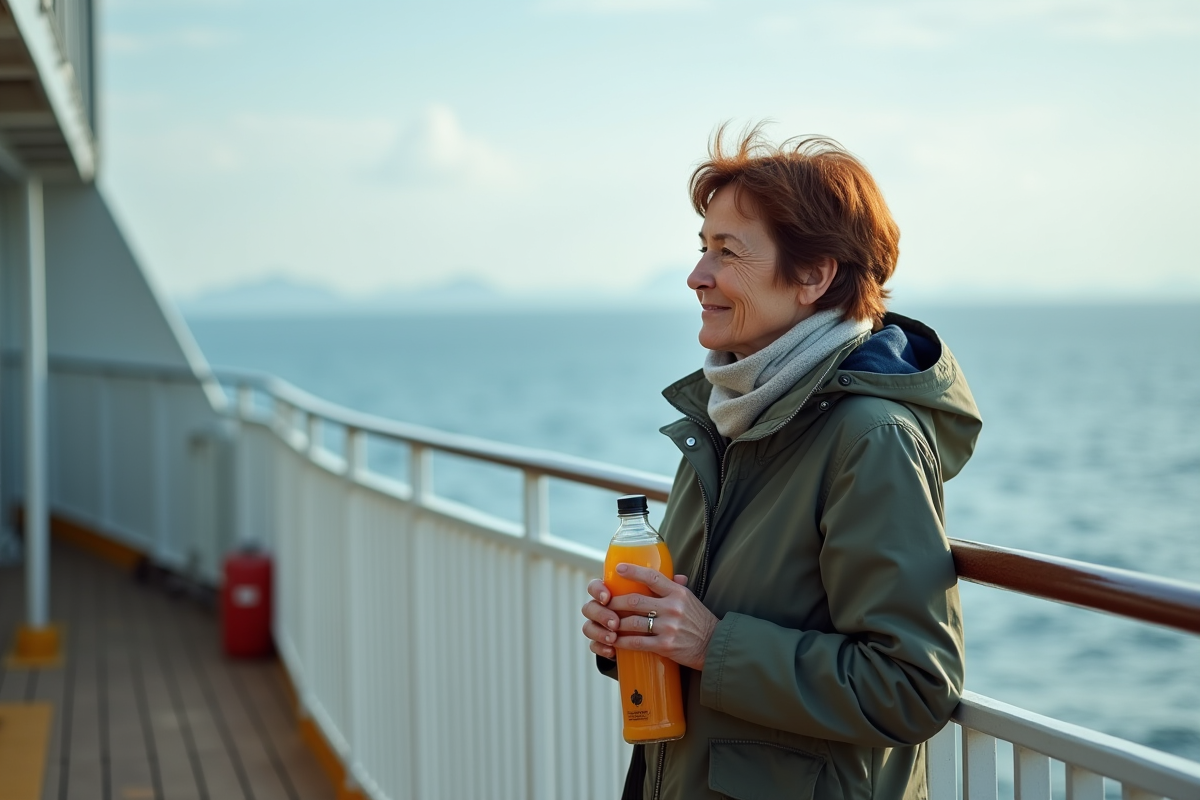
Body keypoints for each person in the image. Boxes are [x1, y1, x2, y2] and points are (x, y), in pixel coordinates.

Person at [581, 126, 982, 800]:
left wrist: (713, 645)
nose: (696, 275)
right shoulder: (729, 416)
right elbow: (700, 626)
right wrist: (632, 633)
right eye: (702, 248)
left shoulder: (870, 438)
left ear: (815, 275)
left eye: (728, 252)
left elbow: (911, 687)